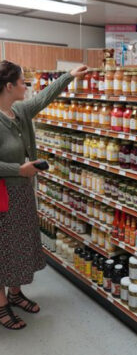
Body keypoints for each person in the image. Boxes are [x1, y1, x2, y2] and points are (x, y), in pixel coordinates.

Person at [0, 61, 87, 330]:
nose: (27, 85)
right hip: (3, 195)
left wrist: (68, 77)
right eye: (23, 81)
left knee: (20, 245)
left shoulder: (20, 110)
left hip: (23, 192)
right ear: (9, 86)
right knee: (2, 249)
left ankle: (15, 293)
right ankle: (1, 305)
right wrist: (18, 169)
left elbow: (44, 97)